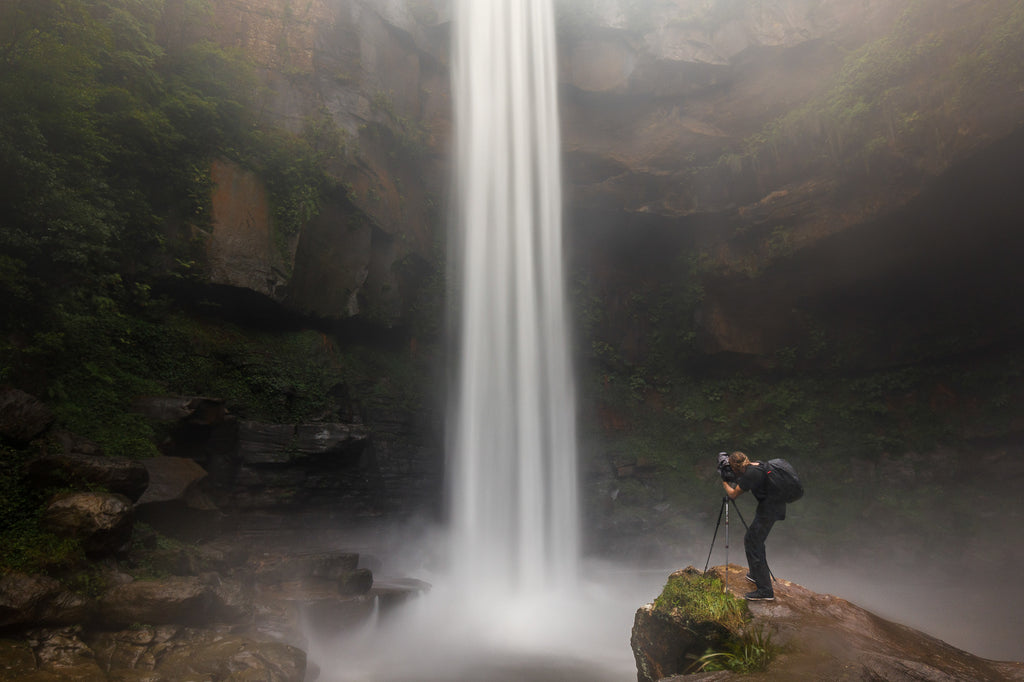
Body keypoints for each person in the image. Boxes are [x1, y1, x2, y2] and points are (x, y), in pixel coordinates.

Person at [721, 450, 785, 601]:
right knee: (753, 539)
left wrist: (724, 482)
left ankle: (765, 590)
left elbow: (733, 494)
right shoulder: (757, 465)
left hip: (769, 509)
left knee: (753, 542)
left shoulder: (750, 474)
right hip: (774, 507)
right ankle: (756, 575)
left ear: (735, 467)